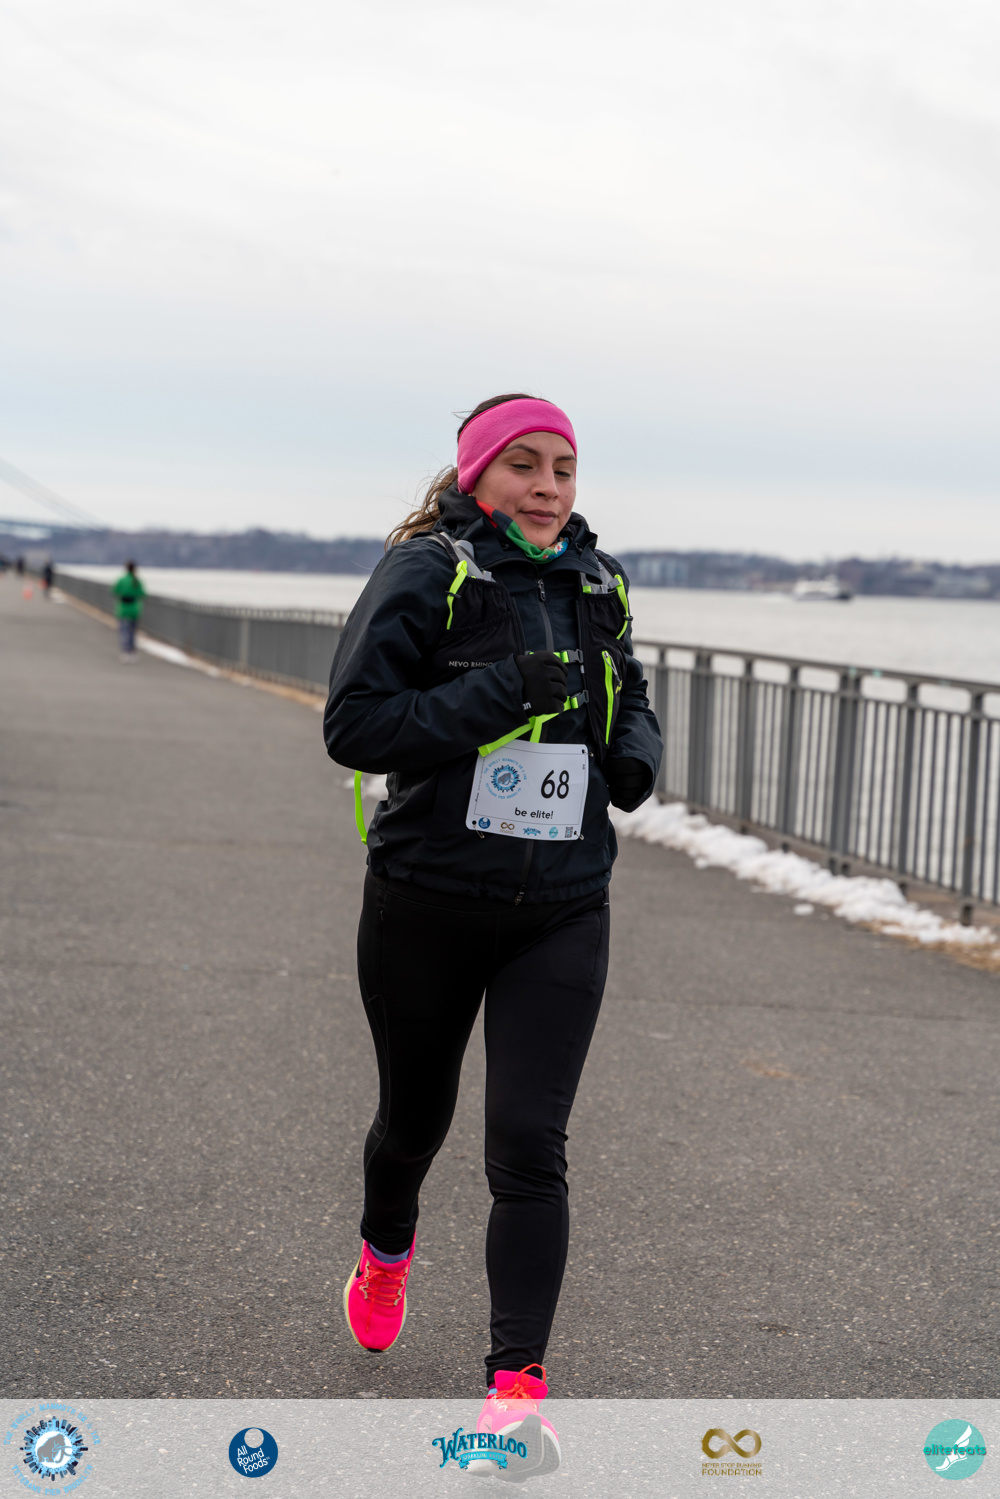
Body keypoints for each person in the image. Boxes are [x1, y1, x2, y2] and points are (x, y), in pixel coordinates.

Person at [324, 394, 661, 1478]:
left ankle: (515, 1396)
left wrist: (637, 749)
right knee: (412, 1123)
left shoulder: (598, 581)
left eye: (564, 466)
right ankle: (386, 1251)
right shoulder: (428, 573)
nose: (549, 486)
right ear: (476, 473)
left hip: (562, 905)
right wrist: (500, 694)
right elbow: (356, 724)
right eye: (524, 464)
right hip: (426, 899)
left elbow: (630, 688)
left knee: (527, 1143)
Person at [112, 560, 145, 659]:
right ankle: (131, 651)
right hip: (134, 609)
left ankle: (125, 651)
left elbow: (114, 591)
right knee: (132, 632)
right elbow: (143, 594)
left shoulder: (122, 580)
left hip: (123, 609)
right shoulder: (136, 581)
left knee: (124, 631)